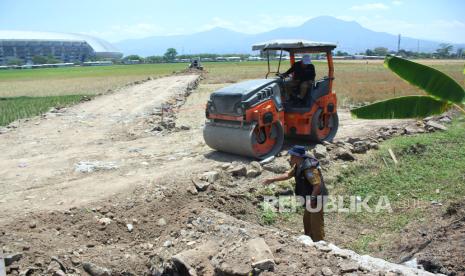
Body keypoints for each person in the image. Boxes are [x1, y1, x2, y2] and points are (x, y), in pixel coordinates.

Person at [262, 145, 327, 241]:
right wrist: (272, 179)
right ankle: (309, 240)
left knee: (316, 224)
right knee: (307, 221)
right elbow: (288, 175)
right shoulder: (299, 165)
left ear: (298, 157)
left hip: (316, 198)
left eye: (292, 156)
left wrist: (312, 199)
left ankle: (320, 244)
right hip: (310, 198)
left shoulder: (309, 168)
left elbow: (317, 185)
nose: (290, 158)